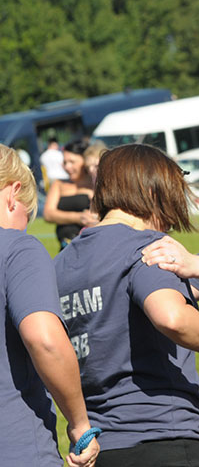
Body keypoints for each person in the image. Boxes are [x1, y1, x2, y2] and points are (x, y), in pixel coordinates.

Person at [54, 144, 199, 467]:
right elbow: (171, 316)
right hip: (162, 439)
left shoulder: (61, 264)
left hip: (100, 446)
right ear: (151, 191)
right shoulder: (145, 247)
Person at [0, 144, 100, 467]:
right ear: (13, 193)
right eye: (26, 214)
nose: (25, 225)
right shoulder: (18, 249)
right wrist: (79, 422)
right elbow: (45, 340)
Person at [43, 139, 97, 249]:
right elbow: (48, 214)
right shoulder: (59, 184)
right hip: (65, 247)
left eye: (72, 162)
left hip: (91, 246)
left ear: (85, 161)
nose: (67, 167)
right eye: (65, 162)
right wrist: (78, 217)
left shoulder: (95, 184)